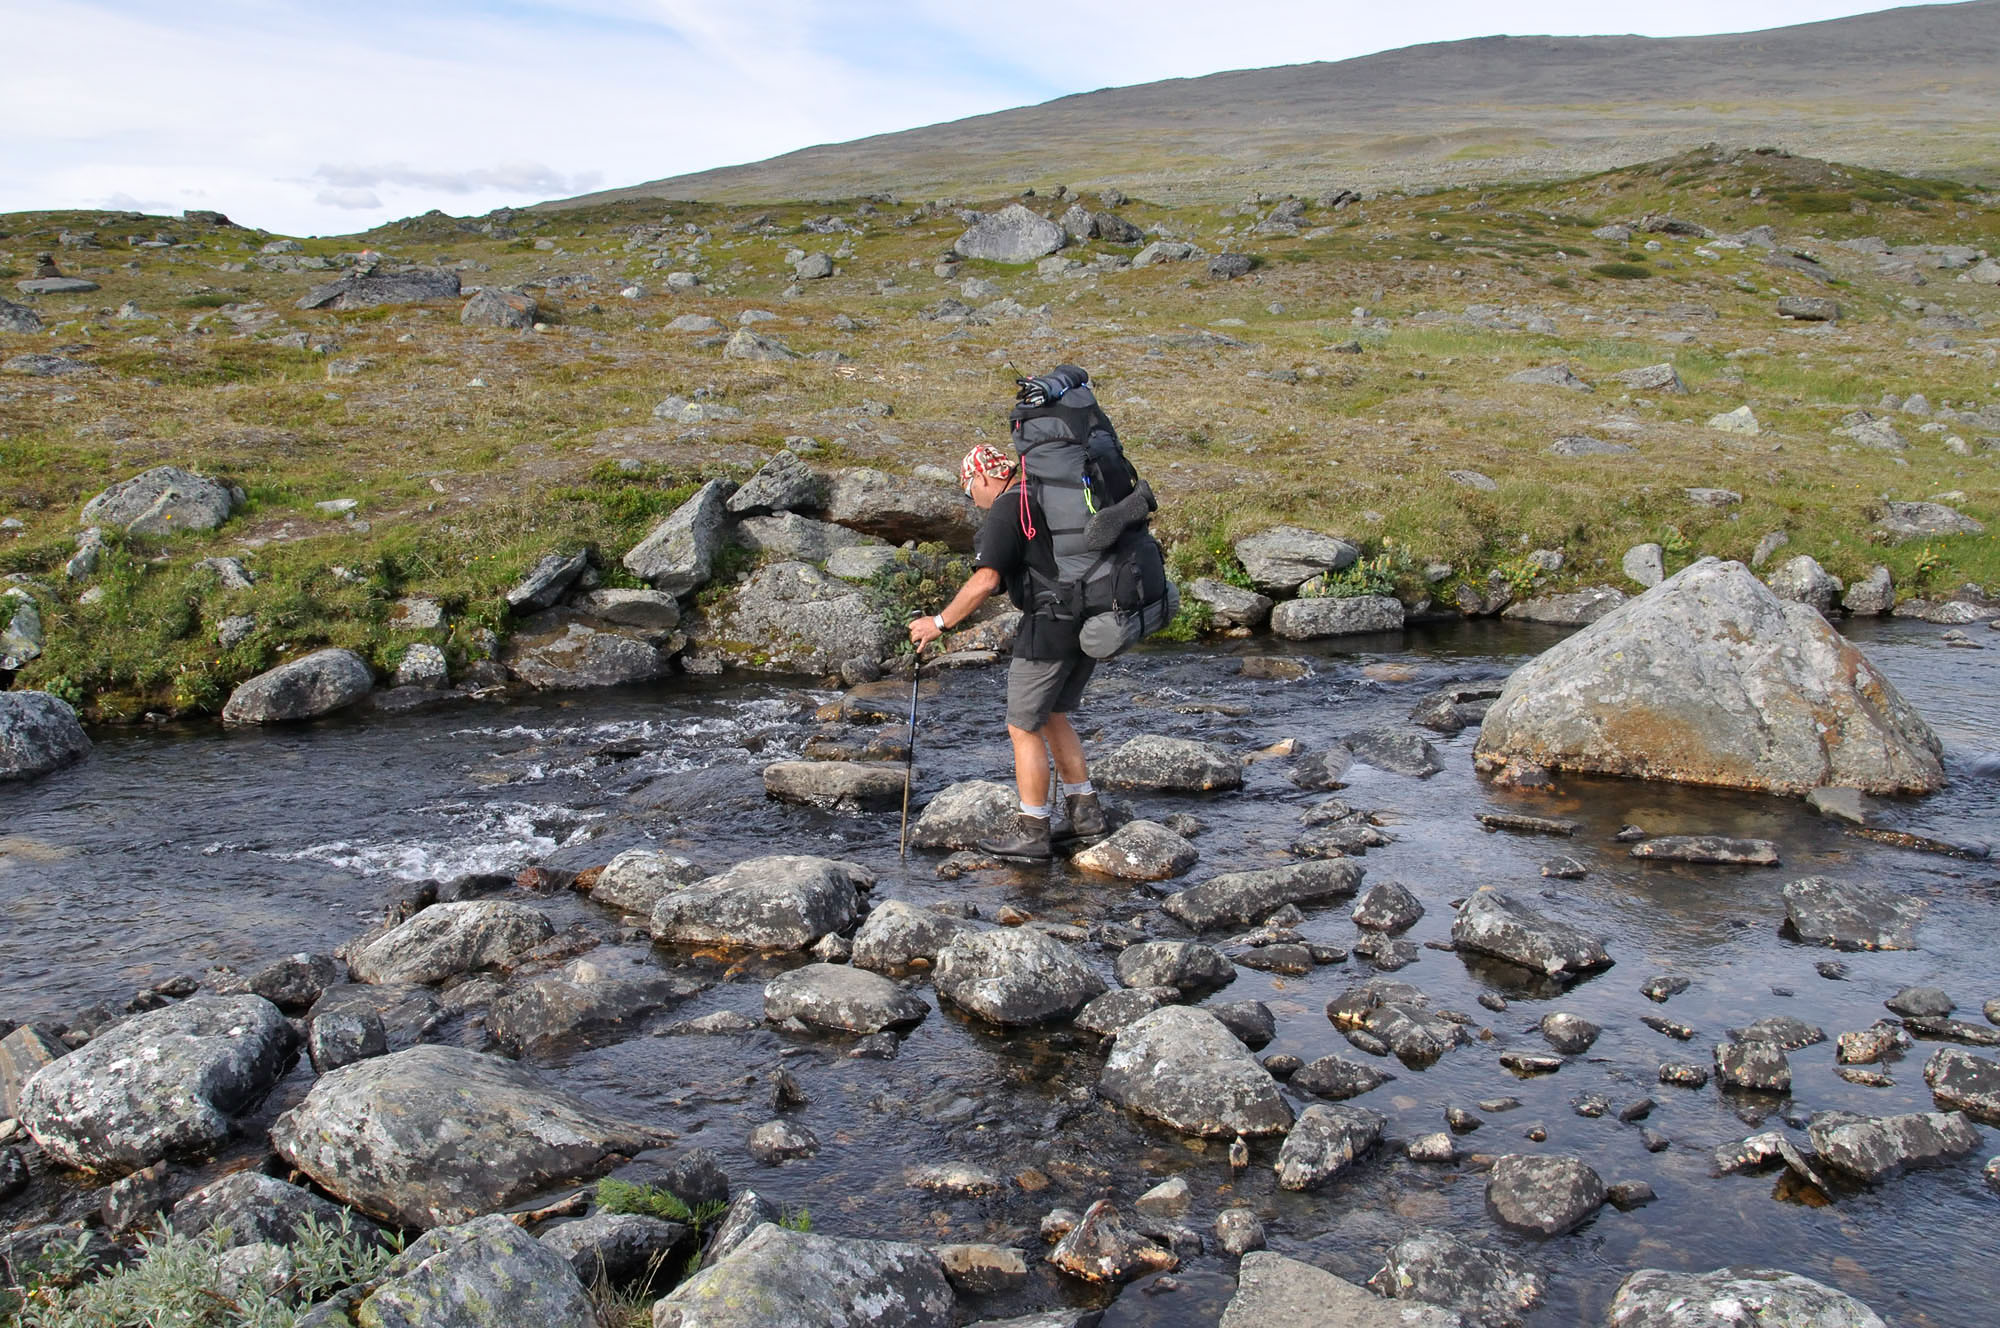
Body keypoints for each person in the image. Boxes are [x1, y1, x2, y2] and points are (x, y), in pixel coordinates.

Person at [907, 442, 1107, 858]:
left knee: (1023, 727)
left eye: (969, 489)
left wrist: (938, 623)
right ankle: (1086, 817)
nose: (973, 499)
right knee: (1052, 716)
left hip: (1048, 625)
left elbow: (985, 581)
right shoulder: (1044, 495)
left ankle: (1033, 830)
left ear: (982, 477)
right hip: (1088, 618)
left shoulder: (1007, 506)